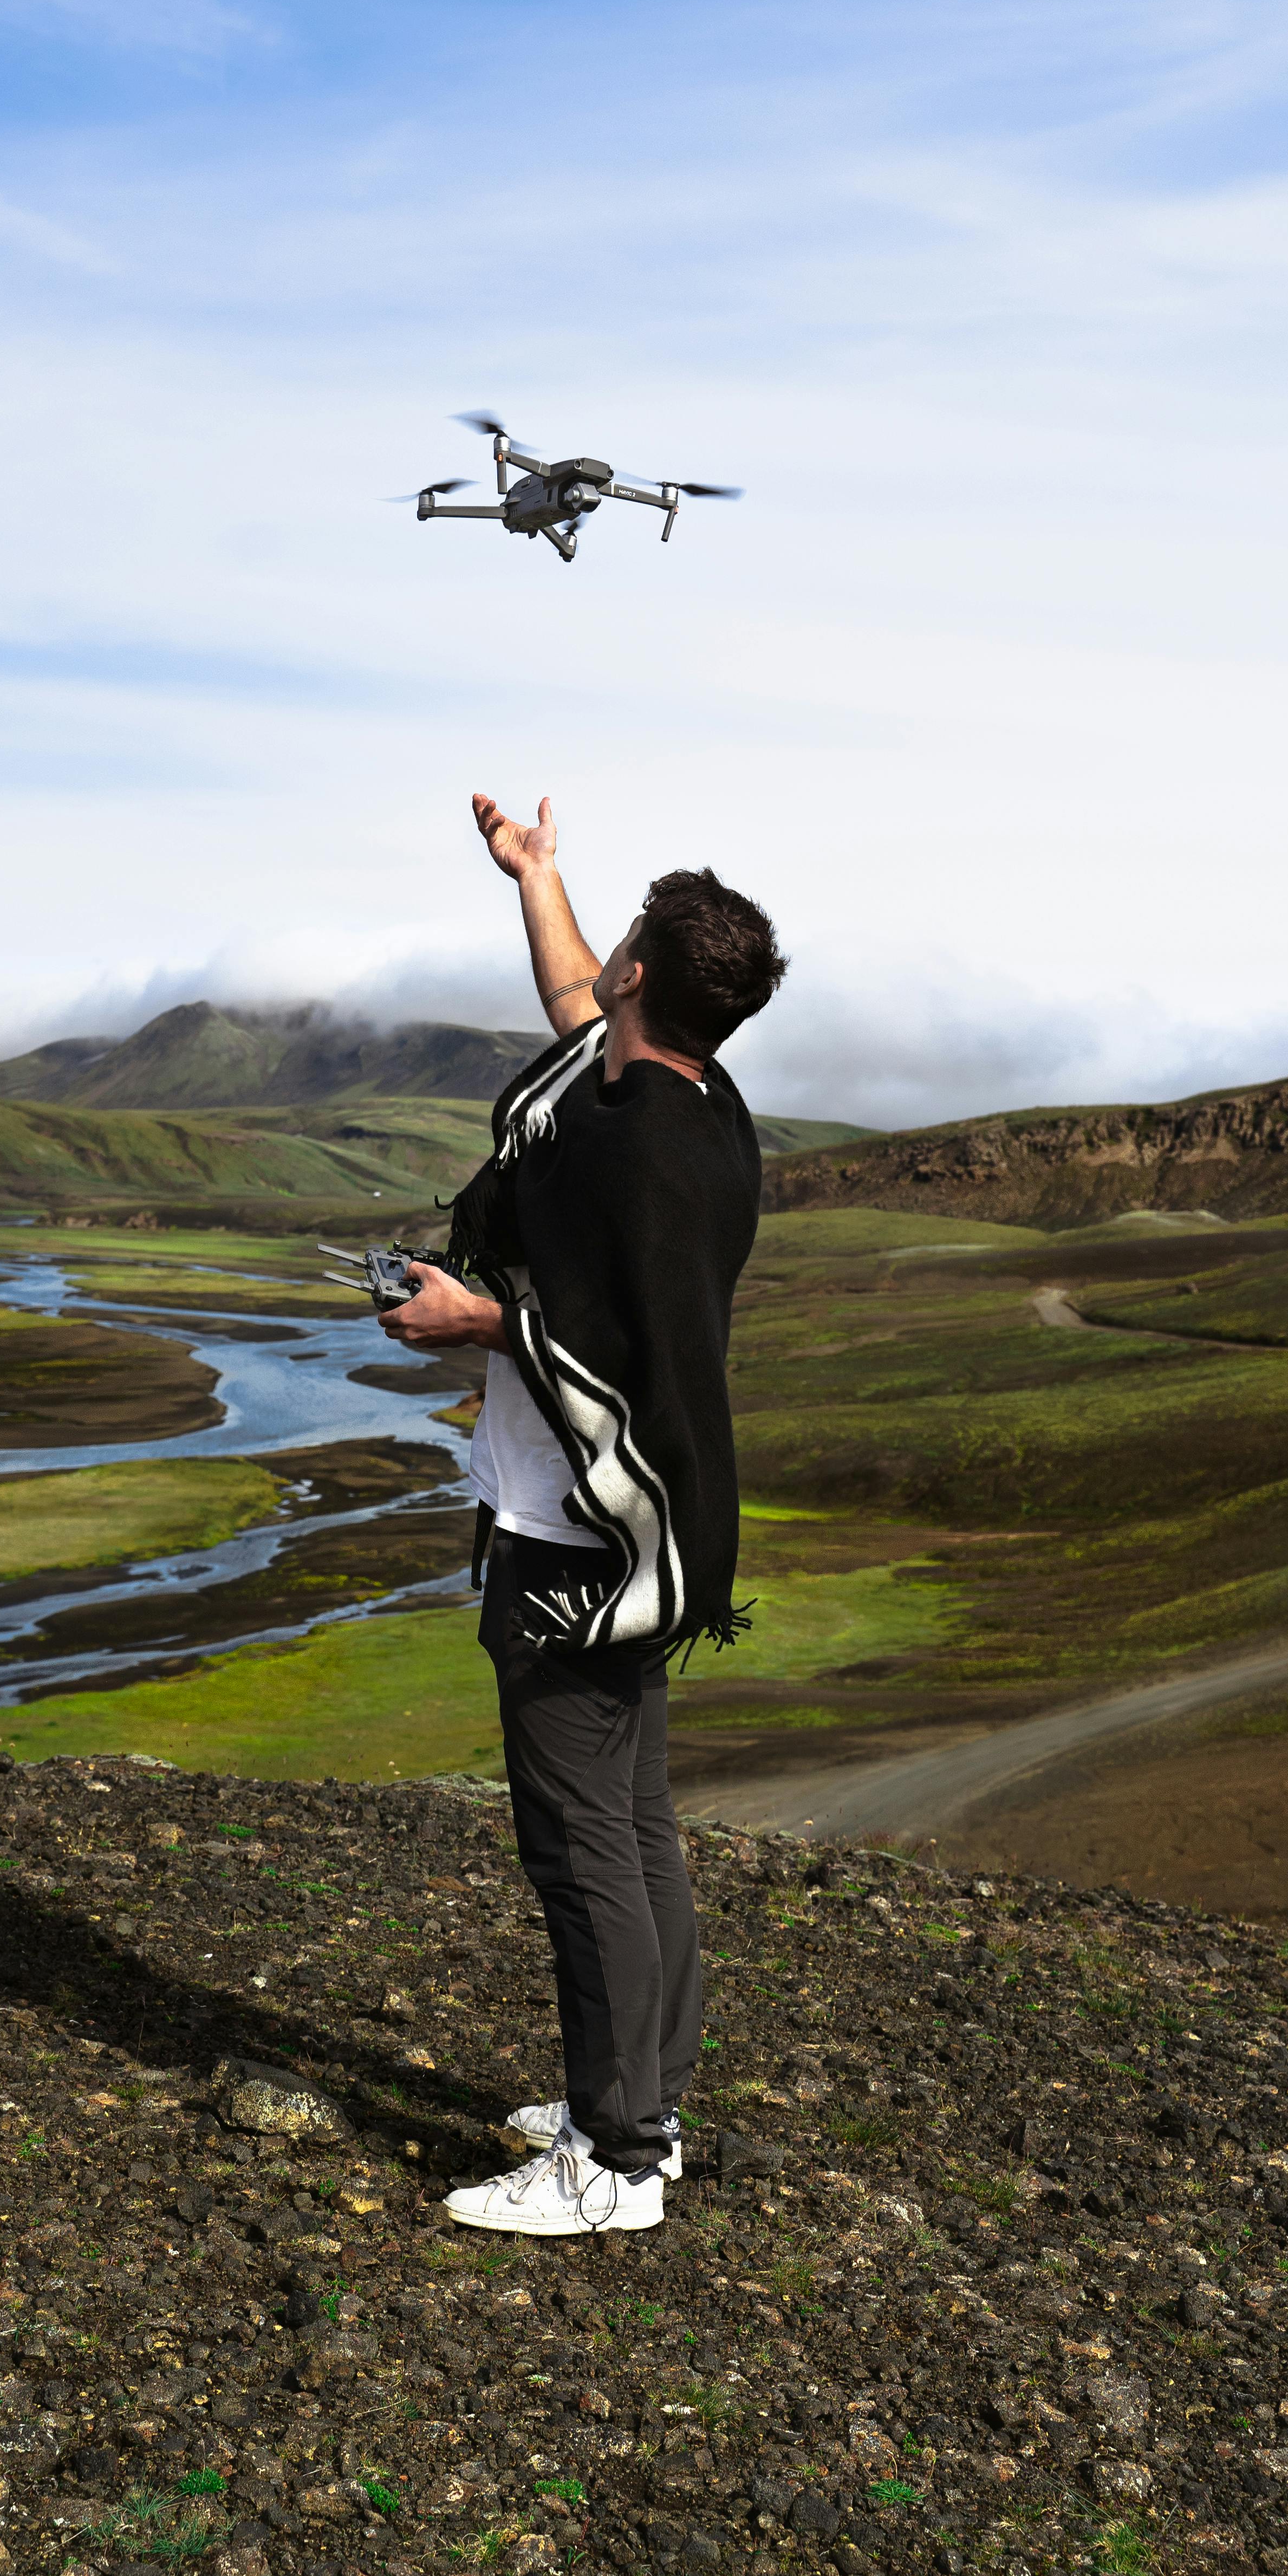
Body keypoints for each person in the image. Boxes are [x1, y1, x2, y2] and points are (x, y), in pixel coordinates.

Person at [378, 790, 788, 2238]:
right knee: (635, 1820)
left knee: (580, 1845)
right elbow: (573, 998)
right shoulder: (681, 1097)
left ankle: (611, 2163)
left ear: (641, 976)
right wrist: (535, 875)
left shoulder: (634, 1158)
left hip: (575, 1538)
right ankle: (646, 2106)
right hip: (638, 1539)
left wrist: (472, 1318)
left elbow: (614, 1357)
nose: (595, 952)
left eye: (612, 933)